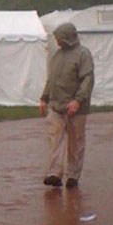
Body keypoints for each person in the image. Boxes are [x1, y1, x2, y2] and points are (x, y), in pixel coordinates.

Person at [39, 23, 94, 188]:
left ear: (66, 37)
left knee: (75, 142)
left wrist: (78, 101)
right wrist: (44, 98)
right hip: (56, 106)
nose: (56, 41)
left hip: (76, 107)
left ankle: (73, 175)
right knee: (55, 139)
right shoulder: (57, 55)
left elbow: (87, 79)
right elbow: (52, 79)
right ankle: (54, 173)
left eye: (58, 38)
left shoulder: (83, 54)